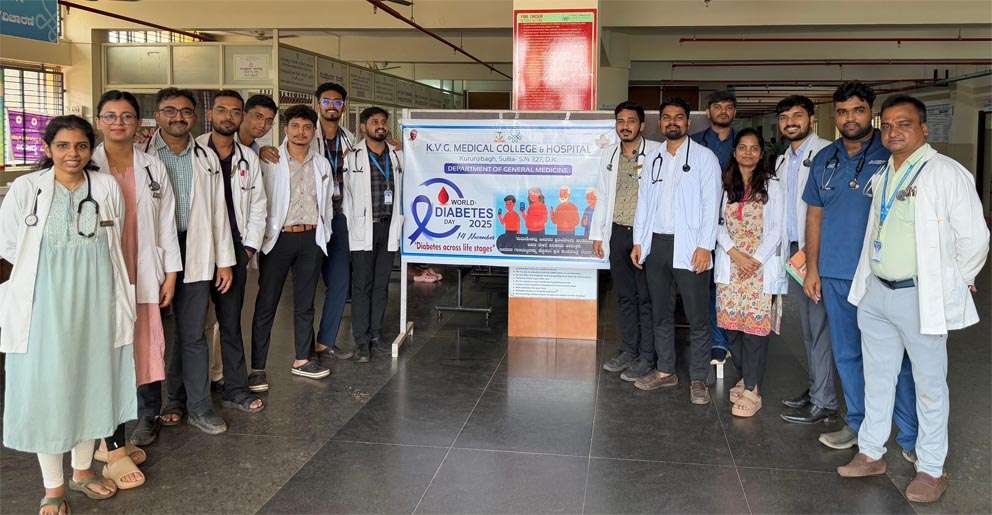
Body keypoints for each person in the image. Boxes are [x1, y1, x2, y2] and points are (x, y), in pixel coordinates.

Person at [837, 95, 989, 503]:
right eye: (886, 125)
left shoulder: (945, 173)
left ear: (924, 128)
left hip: (919, 295)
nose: (893, 131)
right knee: (877, 377)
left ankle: (931, 469)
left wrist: (959, 279)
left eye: (903, 123)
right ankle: (871, 452)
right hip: (877, 293)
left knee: (929, 385)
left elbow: (975, 237)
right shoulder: (885, 171)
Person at [0, 115, 136, 512]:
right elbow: (8, 245)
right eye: (62, 145)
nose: (72, 153)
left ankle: (83, 471)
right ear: (47, 149)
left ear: (90, 149)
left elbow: (115, 236)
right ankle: (53, 487)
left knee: (92, 382)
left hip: (97, 299)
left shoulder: (105, 187)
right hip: (43, 304)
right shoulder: (27, 188)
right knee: (49, 390)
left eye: (80, 146)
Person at [802, 82, 918, 454]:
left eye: (857, 110)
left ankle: (910, 436)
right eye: (842, 112)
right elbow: (814, 215)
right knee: (847, 353)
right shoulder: (825, 158)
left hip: (882, 275)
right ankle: (857, 423)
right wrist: (812, 268)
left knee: (896, 359)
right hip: (835, 272)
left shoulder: (892, 154)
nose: (849, 118)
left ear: (871, 113)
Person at [90, 90, 181, 488]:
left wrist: (171, 272)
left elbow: (166, 222)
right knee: (107, 359)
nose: (119, 123)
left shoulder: (152, 166)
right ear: (99, 121)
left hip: (142, 273)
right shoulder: (87, 166)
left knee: (140, 354)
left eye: (126, 116)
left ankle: (117, 439)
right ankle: (112, 449)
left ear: (138, 123)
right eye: (110, 116)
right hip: (100, 278)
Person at [143, 87, 236, 435]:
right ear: (157, 115)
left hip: (195, 248)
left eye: (185, 111)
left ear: (195, 117)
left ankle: (198, 407)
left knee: (193, 332)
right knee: (150, 335)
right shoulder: (142, 156)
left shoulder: (206, 157)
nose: (178, 117)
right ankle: (150, 413)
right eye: (170, 110)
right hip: (153, 252)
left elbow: (218, 213)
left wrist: (224, 261)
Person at [631, 97, 722, 405]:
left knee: (697, 317)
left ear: (688, 122)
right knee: (660, 312)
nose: (673, 122)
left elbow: (712, 204)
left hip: (691, 246)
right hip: (657, 244)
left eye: (679, 117)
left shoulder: (705, 158)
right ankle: (665, 370)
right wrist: (639, 242)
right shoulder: (653, 157)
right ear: (660, 123)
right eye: (667, 117)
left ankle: (699, 377)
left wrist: (705, 245)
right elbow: (644, 202)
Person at [249, 104, 335, 389]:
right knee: (266, 303)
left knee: (305, 303)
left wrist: (324, 235)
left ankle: (302, 359)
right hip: (279, 239)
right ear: (285, 129)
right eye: (295, 126)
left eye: (307, 127)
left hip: (311, 238)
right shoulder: (269, 160)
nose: (301, 132)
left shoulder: (321, 164)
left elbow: (327, 205)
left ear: (314, 131)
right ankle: (257, 368)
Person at [193, 90, 266, 412]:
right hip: (196, 245)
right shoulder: (192, 152)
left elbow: (259, 206)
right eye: (222, 110)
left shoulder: (249, 158)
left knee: (230, 321)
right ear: (210, 113)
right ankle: (191, 391)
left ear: (242, 117)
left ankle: (235, 387)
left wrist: (248, 248)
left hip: (235, 248)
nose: (228, 117)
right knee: (193, 324)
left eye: (235, 112)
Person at [773, 95, 838, 425]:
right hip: (794, 251)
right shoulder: (783, 160)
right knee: (809, 328)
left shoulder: (828, 153)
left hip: (818, 252)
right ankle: (816, 389)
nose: (790, 122)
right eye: (785, 117)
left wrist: (816, 257)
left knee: (820, 327)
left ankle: (825, 400)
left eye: (797, 115)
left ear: (811, 118)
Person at [714, 128, 786, 417]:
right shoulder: (725, 184)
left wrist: (754, 260)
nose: (748, 152)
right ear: (734, 152)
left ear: (760, 153)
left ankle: (753, 389)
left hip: (758, 268)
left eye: (754, 148)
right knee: (732, 328)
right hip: (731, 264)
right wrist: (733, 253)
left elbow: (777, 229)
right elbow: (715, 223)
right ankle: (745, 377)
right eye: (742, 147)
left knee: (754, 330)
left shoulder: (772, 185)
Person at [592, 101, 661, 382]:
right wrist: (598, 234)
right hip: (618, 232)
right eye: (620, 121)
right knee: (624, 296)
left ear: (642, 125)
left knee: (646, 297)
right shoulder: (608, 154)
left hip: (644, 235)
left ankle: (647, 356)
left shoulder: (656, 152)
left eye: (631, 121)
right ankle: (629, 350)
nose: (625, 126)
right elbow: (602, 196)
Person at [343, 106, 404, 362]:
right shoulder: (352, 156)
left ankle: (376, 335)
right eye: (374, 121)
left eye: (383, 121)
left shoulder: (397, 155)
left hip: (389, 227)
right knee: (362, 286)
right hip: (363, 228)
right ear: (363, 127)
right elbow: (346, 195)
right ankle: (361, 341)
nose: (380, 125)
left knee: (381, 286)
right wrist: (351, 225)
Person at [312, 82, 358, 360]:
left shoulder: (349, 139)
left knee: (340, 282)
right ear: (318, 104)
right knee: (307, 286)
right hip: (312, 219)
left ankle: (325, 340)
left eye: (337, 102)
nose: (332, 106)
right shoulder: (307, 134)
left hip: (339, 218)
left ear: (343, 107)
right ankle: (303, 344)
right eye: (327, 101)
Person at [691, 90, 737, 366]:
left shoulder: (743, 143)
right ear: (708, 112)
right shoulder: (694, 143)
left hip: (735, 226)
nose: (723, 111)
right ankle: (708, 338)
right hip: (699, 225)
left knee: (726, 284)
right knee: (703, 285)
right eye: (717, 107)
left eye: (728, 107)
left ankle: (722, 340)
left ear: (734, 112)